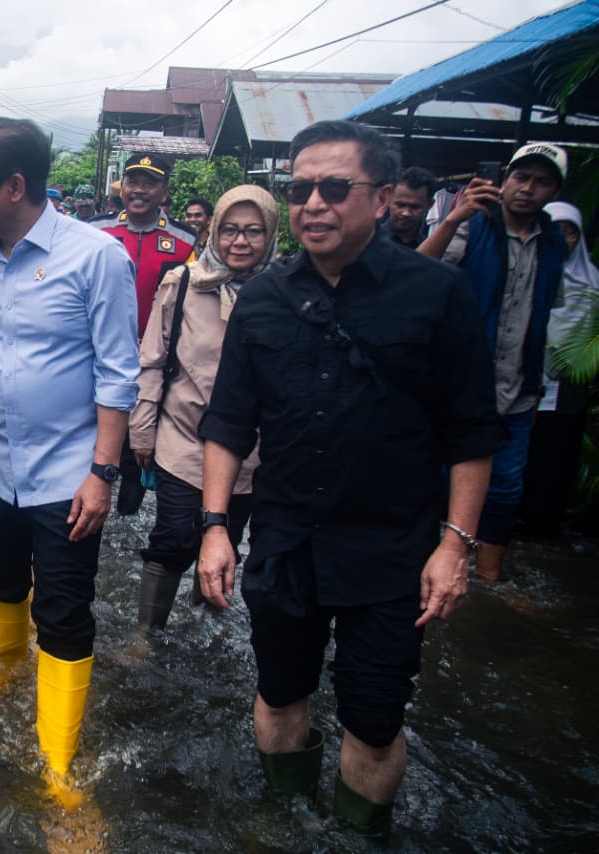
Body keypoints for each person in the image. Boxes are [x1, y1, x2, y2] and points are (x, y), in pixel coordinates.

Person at [197, 120, 504, 836]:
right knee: (280, 694)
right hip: (285, 539)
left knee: (372, 720)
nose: (313, 204)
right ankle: (283, 820)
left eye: (336, 188)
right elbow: (229, 425)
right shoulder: (265, 298)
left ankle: (360, 837)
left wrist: (455, 546)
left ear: (382, 196)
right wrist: (215, 528)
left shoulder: (436, 294)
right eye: (300, 189)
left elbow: (473, 433)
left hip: (393, 550)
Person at [0, 117, 138, 806]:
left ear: (16, 185)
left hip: (69, 472)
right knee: (0, 580)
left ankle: (59, 766)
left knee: (67, 611)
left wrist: (103, 475)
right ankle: (3, 671)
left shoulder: (96, 256)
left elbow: (117, 373)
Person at [129, 185, 278, 631]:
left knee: (227, 539)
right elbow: (153, 359)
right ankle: (147, 634)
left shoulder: (282, 291)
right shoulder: (184, 282)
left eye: (253, 232)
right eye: (230, 229)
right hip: (184, 434)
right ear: (213, 230)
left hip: (249, 447)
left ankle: (203, 632)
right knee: (175, 533)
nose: (240, 242)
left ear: (271, 235)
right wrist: (142, 428)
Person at [418, 143, 568, 582]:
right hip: (455, 385)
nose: (526, 189)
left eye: (540, 182)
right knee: (438, 480)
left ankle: (489, 580)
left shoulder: (554, 242)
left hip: (516, 389)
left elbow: (548, 309)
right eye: (521, 178)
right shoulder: (475, 226)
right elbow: (416, 272)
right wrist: (453, 218)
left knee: (504, 487)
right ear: (505, 180)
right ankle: (428, 568)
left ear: (554, 190)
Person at [93, 153, 196, 515]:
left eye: (149, 183)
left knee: (139, 455)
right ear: (122, 186)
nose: (139, 190)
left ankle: (125, 518)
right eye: (133, 181)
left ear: (164, 191)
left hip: (153, 369)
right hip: (97, 362)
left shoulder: (185, 242)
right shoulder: (97, 231)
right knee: (92, 446)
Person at [519, 201, 598, 534]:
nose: (564, 239)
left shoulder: (593, 283)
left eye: (571, 232)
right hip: (522, 380)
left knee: (556, 457)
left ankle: (542, 524)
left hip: (568, 387)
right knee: (520, 454)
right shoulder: (527, 272)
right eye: (557, 230)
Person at [383, 166, 436, 248]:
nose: (406, 213)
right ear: (388, 198)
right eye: (400, 205)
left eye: (415, 207)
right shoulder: (367, 241)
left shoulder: (429, 249)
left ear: (429, 205)